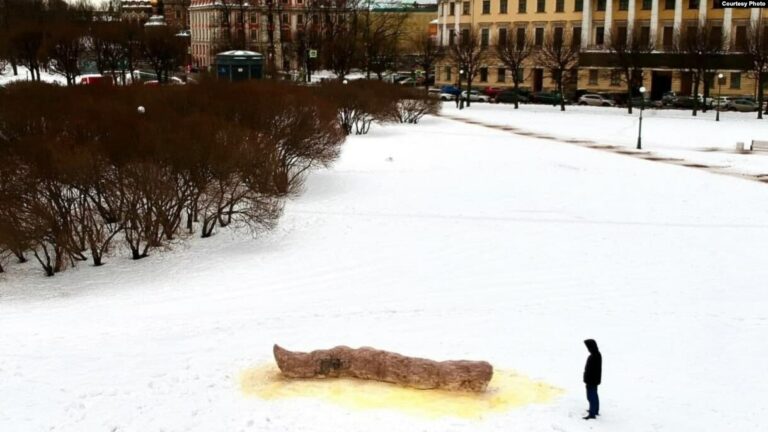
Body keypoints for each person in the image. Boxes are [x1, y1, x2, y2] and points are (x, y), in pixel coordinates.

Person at [583, 339, 602, 420]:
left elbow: (592, 370)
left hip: (591, 380)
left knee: (591, 396)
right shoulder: (596, 354)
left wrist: (587, 379)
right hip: (593, 380)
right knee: (594, 395)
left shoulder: (594, 356)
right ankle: (595, 410)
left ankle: (592, 413)